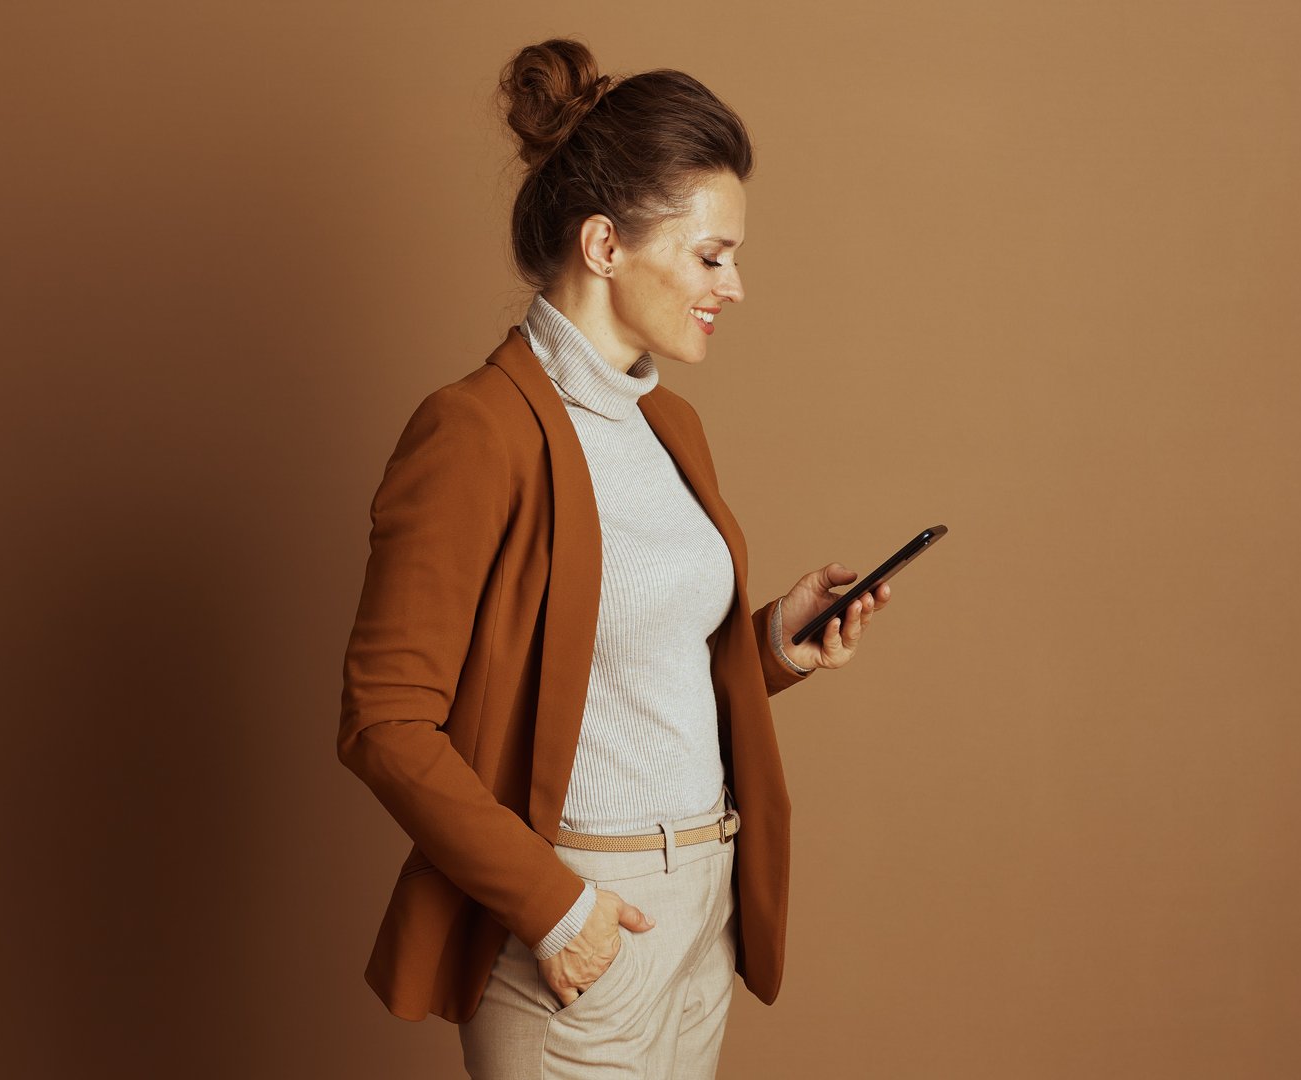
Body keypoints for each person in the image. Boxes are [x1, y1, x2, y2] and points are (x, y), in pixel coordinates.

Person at [337, 37, 892, 1079]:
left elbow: (621, 664)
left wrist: (775, 642)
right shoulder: (474, 432)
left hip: (701, 912)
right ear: (603, 246)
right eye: (711, 254)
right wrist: (557, 907)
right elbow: (384, 721)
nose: (735, 285)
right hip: (584, 920)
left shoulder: (668, 425)